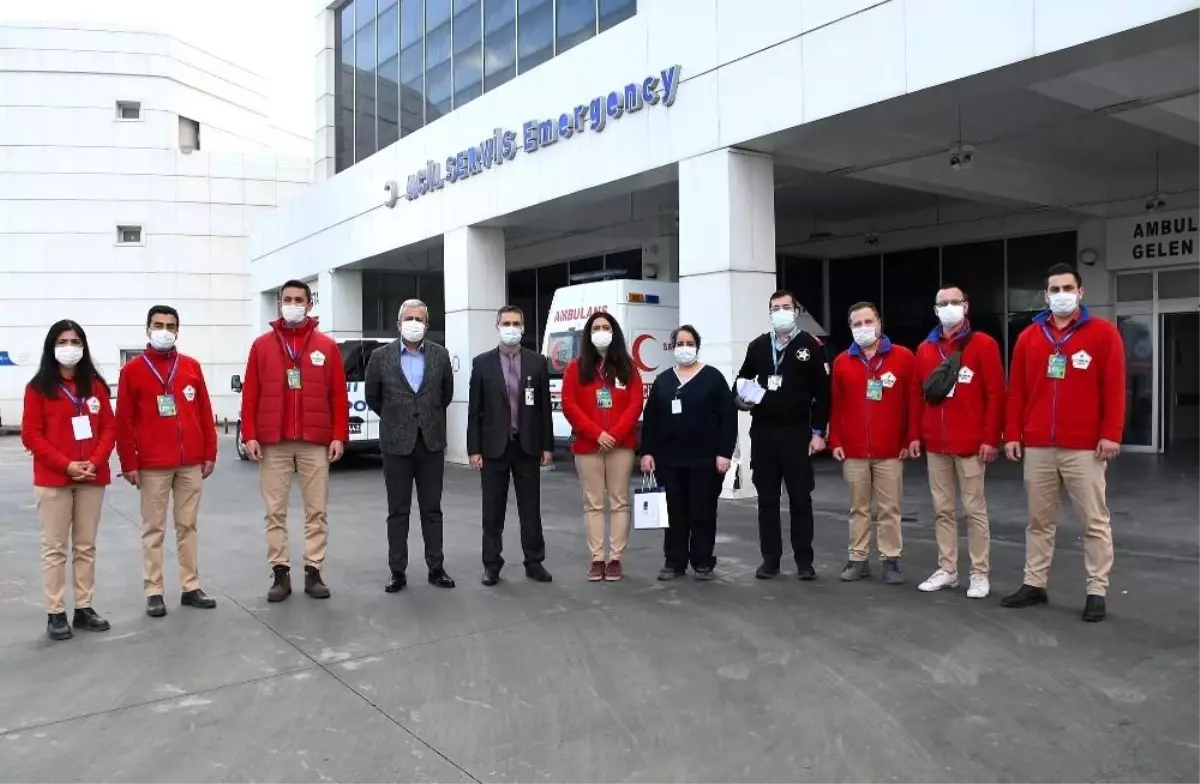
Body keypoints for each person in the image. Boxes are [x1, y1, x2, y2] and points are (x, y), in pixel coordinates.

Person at [1002, 264, 1125, 623]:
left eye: (1067, 288)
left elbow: (1115, 387)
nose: (1061, 295)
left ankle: (1096, 590)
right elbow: (1017, 392)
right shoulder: (1029, 337)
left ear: (1081, 292)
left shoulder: (1103, 334)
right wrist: (1013, 434)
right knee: (1039, 520)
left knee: (1094, 521)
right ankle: (1034, 584)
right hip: (1039, 445)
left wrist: (1111, 433)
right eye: (1054, 289)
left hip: (1085, 446)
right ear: (1045, 296)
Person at [240, 279, 348, 603]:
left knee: (317, 511)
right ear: (279, 304)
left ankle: (314, 571)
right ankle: (280, 574)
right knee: (275, 512)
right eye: (287, 299)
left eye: (298, 299)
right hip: (274, 442)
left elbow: (338, 396)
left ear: (309, 304)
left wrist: (339, 435)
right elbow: (251, 394)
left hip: (315, 441)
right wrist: (250, 434)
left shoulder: (326, 347)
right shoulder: (261, 346)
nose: (292, 304)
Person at [116, 305, 218, 617]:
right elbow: (123, 420)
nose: (165, 330)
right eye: (158, 324)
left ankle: (190, 586)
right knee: (153, 529)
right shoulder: (132, 371)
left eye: (171, 325)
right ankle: (154, 590)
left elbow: (204, 410)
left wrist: (209, 452)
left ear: (177, 330)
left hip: (190, 462)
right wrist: (128, 462)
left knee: (188, 525)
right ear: (148, 329)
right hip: (152, 464)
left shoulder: (190, 366)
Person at [22, 321, 117, 640]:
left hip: (92, 475)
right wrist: (67, 465)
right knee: (55, 547)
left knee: (86, 546)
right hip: (54, 479)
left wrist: (93, 462)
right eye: (63, 341)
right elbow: (31, 434)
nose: (70, 347)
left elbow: (108, 428)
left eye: (76, 341)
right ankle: (55, 612)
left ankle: (84, 607)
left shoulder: (96, 386)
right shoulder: (38, 388)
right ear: (52, 347)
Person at [911, 285, 1006, 599]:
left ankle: (979, 573)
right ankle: (948, 569)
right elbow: (917, 397)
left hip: (970, 444)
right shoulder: (925, 349)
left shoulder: (983, 344)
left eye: (955, 302)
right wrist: (916, 434)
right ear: (935, 309)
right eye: (943, 303)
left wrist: (991, 438)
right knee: (942, 509)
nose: (949, 307)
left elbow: (995, 394)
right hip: (936, 444)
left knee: (974, 510)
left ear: (966, 306)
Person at [734, 290, 830, 580]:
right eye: (776, 308)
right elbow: (741, 381)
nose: (781, 312)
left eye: (786, 307)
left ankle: (804, 561)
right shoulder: (758, 346)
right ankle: (770, 560)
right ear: (770, 312)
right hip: (763, 433)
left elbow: (823, 394)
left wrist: (818, 432)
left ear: (796, 311)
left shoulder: (811, 346)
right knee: (767, 500)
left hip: (797, 434)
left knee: (801, 499)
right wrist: (740, 399)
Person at [365, 299, 456, 592]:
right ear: (399, 323)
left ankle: (436, 567)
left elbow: (446, 395)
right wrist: (398, 419)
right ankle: (397, 571)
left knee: (432, 509)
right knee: (398, 510)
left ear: (427, 325)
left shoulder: (441, 356)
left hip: (430, 443)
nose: (414, 323)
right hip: (395, 444)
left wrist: (425, 419)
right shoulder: (380, 357)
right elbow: (373, 397)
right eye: (409, 318)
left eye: (420, 319)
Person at [828, 303, 919, 585]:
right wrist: (836, 440)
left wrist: (910, 437)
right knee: (859, 508)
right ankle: (857, 559)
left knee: (890, 508)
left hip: (890, 449)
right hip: (854, 449)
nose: (864, 328)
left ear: (879, 322)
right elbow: (836, 405)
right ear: (850, 327)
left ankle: (890, 560)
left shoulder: (903, 357)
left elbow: (913, 401)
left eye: (869, 321)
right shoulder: (842, 361)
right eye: (857, 323)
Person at [640, 325, 737, 581]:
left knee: (702, 511)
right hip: (669, 461)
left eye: (689, 343)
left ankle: (703, 561)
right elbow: (651, 419)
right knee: (674, 512)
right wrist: (647, 452)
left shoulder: (713, 378)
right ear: (672, 347)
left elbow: (728, 418)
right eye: (679, 343)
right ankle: (674, 561)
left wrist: (724, 453)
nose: (684, 348)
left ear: (697, 346)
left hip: (704, 461)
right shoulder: (663, 380)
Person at [466, 306, 554, 586]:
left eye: (516, 323)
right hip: (493, 448)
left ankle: (534, 562)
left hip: (527, 446)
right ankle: (491, 564)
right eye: (507, 323)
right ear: (498, 326)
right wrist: (474, 449)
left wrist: (547, 446)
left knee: (531, 508)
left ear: (524, 327)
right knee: (492, 510)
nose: (511, 327)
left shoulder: (537, 362)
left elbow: (544, 410)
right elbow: (474, 410)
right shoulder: (482, 363)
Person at [561, 311, 644, 582]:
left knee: (619, 502)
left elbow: (635, 404)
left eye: (605, 327)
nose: (601, 331)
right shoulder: (576, 367)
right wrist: (597, 433)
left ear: (614, 332)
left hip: (621, 445)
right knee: (594, 504)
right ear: (588, 333)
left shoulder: (628, 367)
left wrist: (615, 435)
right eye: (596, 327)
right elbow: (569, 404)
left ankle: (616, 558)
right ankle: (597, 558)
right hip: (588, 445)